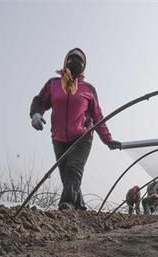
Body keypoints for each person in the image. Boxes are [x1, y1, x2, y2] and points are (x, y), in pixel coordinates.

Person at [30, 48, 120, 210]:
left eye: (79, 61)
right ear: (65, 62)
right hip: (58, 137)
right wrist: (36, 114)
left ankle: (67, 204)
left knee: (73, 169)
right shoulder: (54, 84)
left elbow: (98, 116)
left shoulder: (88, 89)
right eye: (71, 60)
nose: (75, 63)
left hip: (82, 136)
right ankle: (79, 207)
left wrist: (108, 139)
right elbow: (40, 100)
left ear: (84, 66)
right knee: (67, 177)